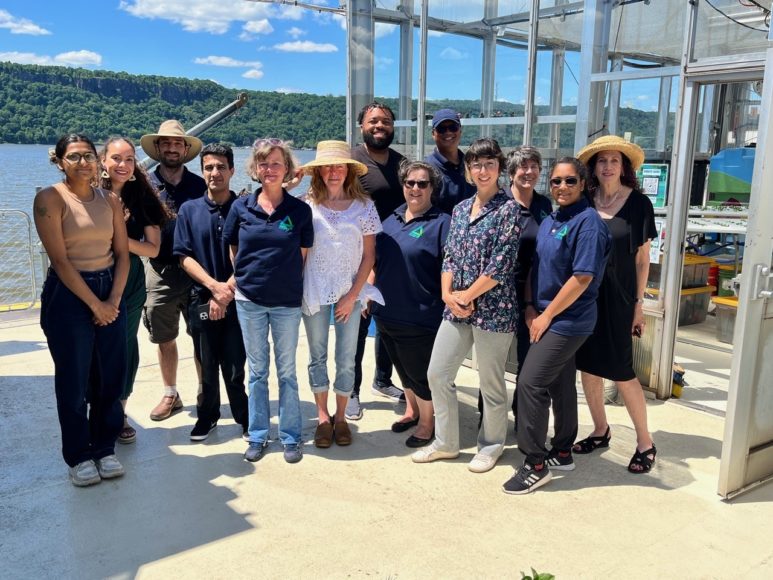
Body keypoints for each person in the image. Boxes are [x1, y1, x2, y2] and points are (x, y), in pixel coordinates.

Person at [411, 138, 523, 474]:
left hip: (494, 310)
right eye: (476, 164)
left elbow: (500, 266)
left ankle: (491, 446)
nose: (483, 170)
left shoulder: (509, 210)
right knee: (438, 373)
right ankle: (445, 442)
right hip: (455, 306)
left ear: (499, 168)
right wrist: (448, 295)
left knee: (490, 382)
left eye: (489, 163)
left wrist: (467, 295)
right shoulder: (460, 210)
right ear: (468, 170)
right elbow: (451, 257)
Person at [502, 157, 611, 495]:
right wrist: (532, 306)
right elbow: (537, 266)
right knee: (561, 383)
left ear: (583, 185)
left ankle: (535, 462)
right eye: (556, 182)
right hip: (545, 314)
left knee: (530, 384)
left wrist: (548, 316)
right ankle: (562, 451)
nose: (562, 187)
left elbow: (582, 277)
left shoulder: (588, 222)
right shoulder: (551, 218)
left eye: (570, 181)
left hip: (570, 320)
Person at [34, 134, 130, 486]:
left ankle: (105, 447)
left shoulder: (111, 201)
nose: (83, 163)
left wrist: (114, 301)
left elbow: (123, 254)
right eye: (73, 157)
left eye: (89, 156)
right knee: (74, 380)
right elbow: (59, 260)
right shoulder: (50, 199)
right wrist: (95, 304)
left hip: (109, 286)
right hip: (69, 292)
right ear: (59, 162)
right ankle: (78, 455)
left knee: (110, 377)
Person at [223, 138, 313, 464]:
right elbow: (233, 247)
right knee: (257, 372)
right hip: (249, 301)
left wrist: (282, 280)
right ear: (255, 168)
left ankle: (291, 436)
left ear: (287, 168)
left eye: (276, 163)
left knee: (286, 371)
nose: (269, 169)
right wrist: (245, 278)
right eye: (263, 163)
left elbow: (302, 255)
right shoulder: (241, 207)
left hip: (287, 302)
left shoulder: (300, 211)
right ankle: (259, 434)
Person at [573, 135, 658, 474]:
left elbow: (642, 259)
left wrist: (638, 305)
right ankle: (599, 429)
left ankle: (645, 441)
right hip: (584, 298)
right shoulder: (582, 200)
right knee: (589, 367)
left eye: (614, 160)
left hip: (621, 299)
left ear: (624, 167)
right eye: (602, 161)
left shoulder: (639, 205)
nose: (608, 166)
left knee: (623, 371)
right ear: (593, 167)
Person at [299, 140, 383, 448]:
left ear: (347, 170)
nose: (333, 172)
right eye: (327, 167)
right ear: (318, 172)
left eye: (339, 166)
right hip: (314, 289)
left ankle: (342, 416)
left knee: (347, 357)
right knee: (316, 355)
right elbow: (272, 200)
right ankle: (322, 417)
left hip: (351, 291)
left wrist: (354, 296)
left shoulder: (364, 207)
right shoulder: (306, 205)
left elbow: (369, 256)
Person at [371, 160, 451, 447]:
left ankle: (428, 423)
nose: (415, 188)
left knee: (419, 372)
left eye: (422, 183)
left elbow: (449, 269)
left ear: (432, 188)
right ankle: (412, 410)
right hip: (386, 311)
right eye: (410, 183)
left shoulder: (442, 223)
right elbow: (376, 259)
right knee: (402, 369)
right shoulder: (390, 218)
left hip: (420, 313)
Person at [173, 143, 249, 442]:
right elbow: (183, 256)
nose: (214, 173)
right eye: (208, 167)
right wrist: (213, 287)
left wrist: (227, 289)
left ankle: (245, 418)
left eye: (220, 167)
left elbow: (250, 254)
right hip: (201, 297)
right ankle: (208, 417)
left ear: (232, 170)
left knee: (235, 366)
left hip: (237, 298)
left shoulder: (245, 208)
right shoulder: (189, 210)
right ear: (202, 171)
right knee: (206, 365)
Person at [99, 136, 170, 444]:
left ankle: (120, 412)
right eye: (116, 158)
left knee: (124, 348)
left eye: (129, 159)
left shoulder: (142, 197)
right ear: (103, 161)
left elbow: (153, 249)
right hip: (91, 276)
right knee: (92, 349)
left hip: (128, 282)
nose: (123, 165)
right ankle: (95, 411)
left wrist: (118, 236)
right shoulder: (87, 195)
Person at [477, 146, 553, 426]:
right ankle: (489, 419)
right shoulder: (496, 203)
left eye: (534, 166)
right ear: (511, 172)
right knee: (493, 361)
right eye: (523, 167)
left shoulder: (544, 205)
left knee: (528, 358)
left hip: (534, 292)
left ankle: (523, 416)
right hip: (497, 291)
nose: (529, 172)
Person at [139, 120, 206, 422]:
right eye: (165, 143)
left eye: (177, 144)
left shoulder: (200, 185)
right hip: (160, 270)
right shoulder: (145, 185)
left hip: (195, 270)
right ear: (158, 148)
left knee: (202, 336)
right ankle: (171, 394)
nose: (171, 148)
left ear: (185, 149)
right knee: (164, 337)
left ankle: (207, 393)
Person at [348, 101, 405, 420]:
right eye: (373, 121)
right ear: (362, 126)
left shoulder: (401, 164)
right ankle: (351, 390)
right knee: (357, 326)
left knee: (388, 323)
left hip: (392, 256)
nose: (379, 126)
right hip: (356, 258)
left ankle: (382, 380)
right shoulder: (352, 160)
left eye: (385, 121)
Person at [424, 108, 476, 214]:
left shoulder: (472, 164)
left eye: (453, 127)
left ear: (460, 131)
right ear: (433, 134)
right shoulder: (426, 169)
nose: (448, 132)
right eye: (441, 129)